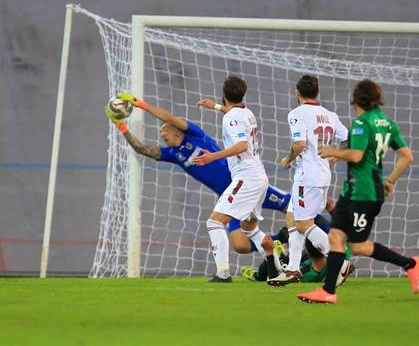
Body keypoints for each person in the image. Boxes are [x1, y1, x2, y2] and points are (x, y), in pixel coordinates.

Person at [105, 92, 290, 259]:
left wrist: (139, 104)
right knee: (240, 245)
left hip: (244, 183)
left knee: (289, 205)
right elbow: (141, 149)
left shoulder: (195, 135)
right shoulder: (173, 154)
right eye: (161, 132)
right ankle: (279, 242)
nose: (162, 134)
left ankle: (301, 249)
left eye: (164, 130)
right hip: (228, 196)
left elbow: (169, 118)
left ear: (176, 130)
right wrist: (122, 127)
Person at [297, 79, 419, 304]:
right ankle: (328, 291)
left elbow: (356, 155)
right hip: (352, 190)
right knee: (335, 237)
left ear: (356, 99)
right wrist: (390, 180)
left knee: (358, 246)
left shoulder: (361, 123)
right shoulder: (388, 123)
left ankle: (410, 264)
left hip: (364, 193)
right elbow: (407, 156)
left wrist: (333, 152)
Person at [189, 75, 281, 282]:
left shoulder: (231, 117)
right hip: (259, 177)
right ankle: (276, 267)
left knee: (214, 222)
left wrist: (213, 156)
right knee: (250, 229)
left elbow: (241, 145)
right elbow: (233, 115)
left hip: (246, 178)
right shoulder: (247, 112)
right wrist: (215, 107)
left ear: (223, 94)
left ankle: (223, 274)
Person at [268, 75, 350, 286]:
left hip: (308, 176)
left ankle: (340, 262)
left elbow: (299, 144)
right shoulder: (329, 115)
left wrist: (288, 159)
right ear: (317, 92)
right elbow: (348, 138)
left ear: (297, 92)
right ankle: (293, 269)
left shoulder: (297, 113)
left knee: (304, 223)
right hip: (320, 174)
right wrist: (335, 156)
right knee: (292, 217)